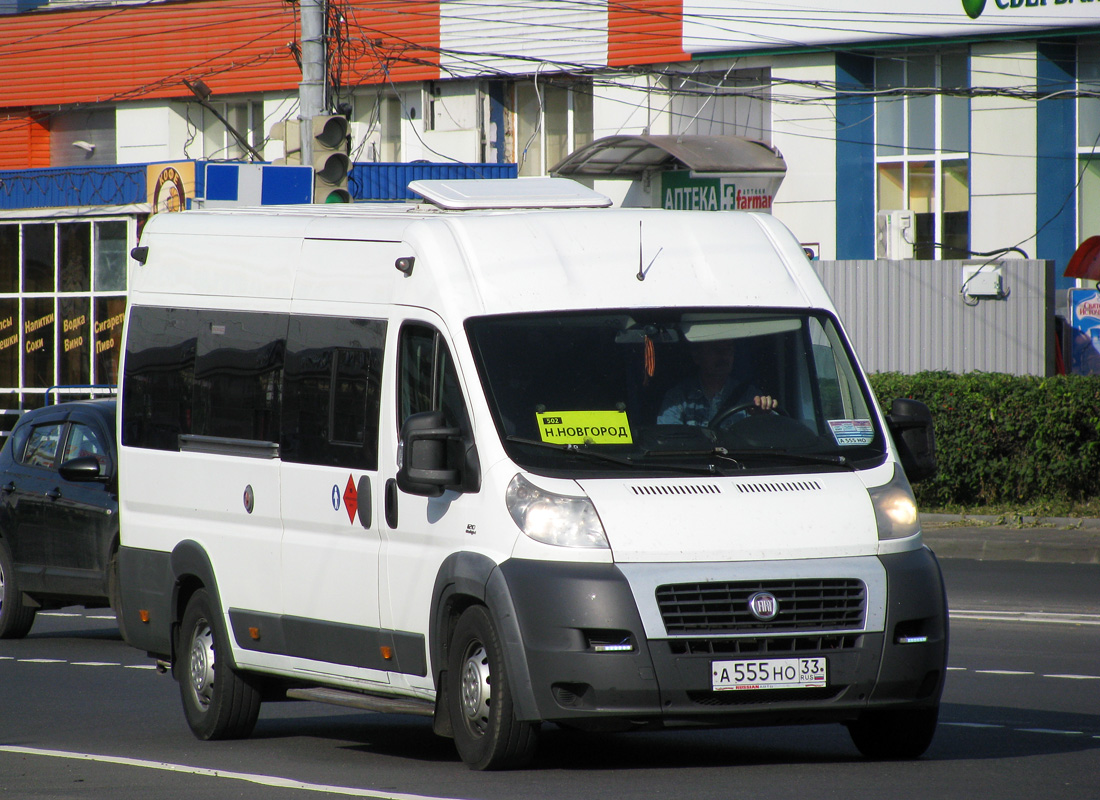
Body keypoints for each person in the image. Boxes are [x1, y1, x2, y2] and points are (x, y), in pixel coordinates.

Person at [657, 337, 777, 426]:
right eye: (716, 349)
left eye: (728, 349)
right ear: (697, 357)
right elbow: (669, 441)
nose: (723, 356)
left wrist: (763, 415)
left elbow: (775, 433)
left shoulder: (750, 396)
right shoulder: (678, 398)